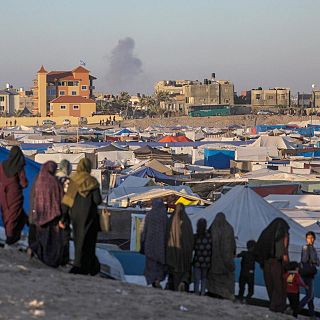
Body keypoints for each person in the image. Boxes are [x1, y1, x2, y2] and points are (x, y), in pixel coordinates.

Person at [62, 158, 102, 276]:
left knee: (79, 241)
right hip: (91, 217)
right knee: (90, 242)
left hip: (76, 217)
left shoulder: (74, 181)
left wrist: (63, 217)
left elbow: (67, 201)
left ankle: (78, 265)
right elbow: (97, 200)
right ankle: (89, 267)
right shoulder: (93, 181)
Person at [29, 161, 65, 267]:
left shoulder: (38, 179)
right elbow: (61, 197)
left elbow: (33, 196)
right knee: (52, 239)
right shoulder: (54, 181)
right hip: (52, 216)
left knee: (40, 236)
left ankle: (40, 255)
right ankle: (50, 260)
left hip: (39, 214)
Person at [254, 218, 290, 313]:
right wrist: (286, 261)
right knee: (279, 286)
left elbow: (259, 248)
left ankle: (273, 304)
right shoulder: (282, 233)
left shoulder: (266, 232)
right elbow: (284, 250)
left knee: (270, 285)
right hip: (277, 263)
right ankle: (276, 306)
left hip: (266, 263)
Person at [0, 146, 28, 248]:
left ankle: (11, 237)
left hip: (3, 194)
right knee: (14, 215)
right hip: (15, 195)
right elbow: (24, 183)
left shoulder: (2, 165)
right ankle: (11, 238)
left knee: (7, 215)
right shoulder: (19, 166)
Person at [207, 212, 236, 300]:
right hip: (225, 264)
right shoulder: (229, 229)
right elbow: (231, 246)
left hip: (213, 263)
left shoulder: (212, 228)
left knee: (214, 282)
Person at [141, 198, 168, 288]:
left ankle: (152, 280)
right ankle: (158, 279)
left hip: (150, 245)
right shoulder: (164, 216)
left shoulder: (149, 215)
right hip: (161, 246)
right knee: (160, 265)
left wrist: (143, 242)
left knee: (150, 265)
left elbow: (144, 231)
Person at [166, 203, 194, 292]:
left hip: (172, 252)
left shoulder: (171, 220)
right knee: (184, 272)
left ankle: (175, 287)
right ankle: (183, 284)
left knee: (173, 273)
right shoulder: (187, 221)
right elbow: (190, 238)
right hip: (185, 253)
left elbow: (166, 236)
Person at [56, 159, 73, 265]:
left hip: (52, 213)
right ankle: (63, 261)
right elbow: (68, 202)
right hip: (63, 215)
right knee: (64, 239)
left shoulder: (53, 179)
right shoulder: (68, 182)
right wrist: (63, 218)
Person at [299, 231, 319, 318]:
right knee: (309, 295)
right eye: (309, 237)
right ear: (306, 239)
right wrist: (314, 260)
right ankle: (295, 309)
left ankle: (312, 315)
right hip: (307, 274)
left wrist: (315, 261)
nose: (311, 239)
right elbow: (304, 259)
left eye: (312, 237)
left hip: (309, 274)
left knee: (311, 296)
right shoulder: (306, 247)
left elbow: (317, 262)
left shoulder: (312, 248)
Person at [193, 218, 212, 296]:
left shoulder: (196, 236)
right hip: (206, 261)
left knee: (197, 279)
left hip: (197, 260)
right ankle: (203, 292)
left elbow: (193, 247)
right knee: (204, 278)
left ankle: (196, 292)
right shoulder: (209, 236)